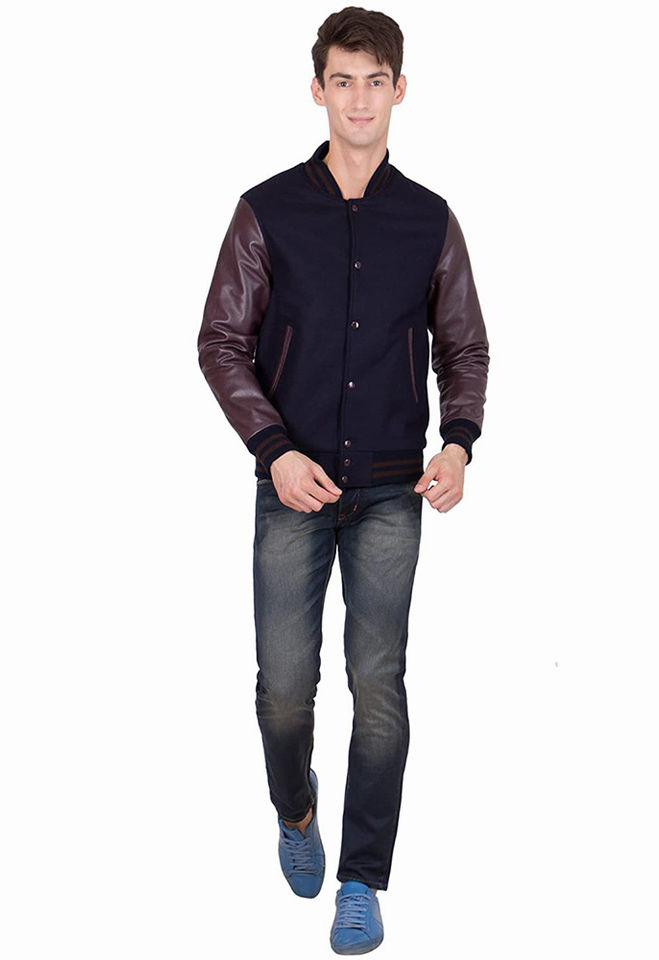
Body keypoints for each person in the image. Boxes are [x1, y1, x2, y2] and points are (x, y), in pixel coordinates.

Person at [197, 7, 489, 953]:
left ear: (400, 90)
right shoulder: (267, 210)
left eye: (375, 82)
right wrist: (274, 449)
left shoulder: (429, 220)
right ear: (317, 89)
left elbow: (464, 346)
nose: (359, 100)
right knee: (284, 691)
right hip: (292, 485)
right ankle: (295, 810)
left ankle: (361, 878)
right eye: (342, 81)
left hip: (394, 493)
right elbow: (221, 340)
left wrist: (459, 443)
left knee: (380, 687)